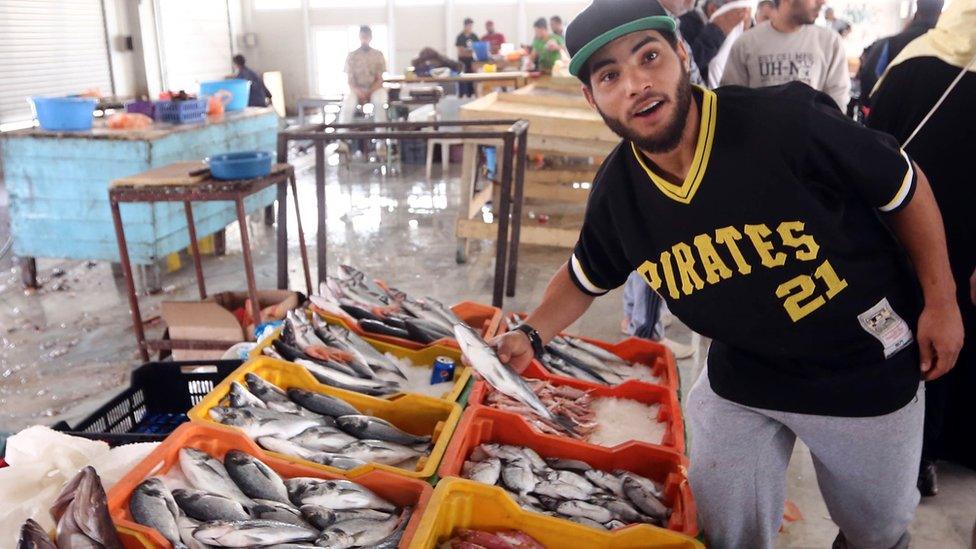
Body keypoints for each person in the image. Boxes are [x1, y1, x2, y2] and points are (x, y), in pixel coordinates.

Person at [491, 1, 963, 548]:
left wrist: (941, 300)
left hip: (860, 365)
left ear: (683, 55)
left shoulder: (785, 123)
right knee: (725, 529)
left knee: (876, 531)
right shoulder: (620, 193)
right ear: (592, 96)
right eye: (610, 75)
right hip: (743, 374)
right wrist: (530, 334)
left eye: (649, 56)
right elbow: (583, 276)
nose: (637, 83)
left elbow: (903, 188)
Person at [868, 0, 976, 496]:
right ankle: (931, 450)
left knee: (896, 333)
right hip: (961, 241)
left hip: (896, 229)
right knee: (952, 338)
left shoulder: (912, 58)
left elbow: (871, 145)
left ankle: (900, 449)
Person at [721, 0, 851, 111]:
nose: (822, 2)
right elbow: (732, 101)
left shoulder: (829, 42)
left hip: (810, 137)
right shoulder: (746, 43)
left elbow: (837, 101)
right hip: (760, 137)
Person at [857, 0, 943, 108]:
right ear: (941, 14)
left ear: (917, 11)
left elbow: (868, 92)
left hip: (885, 118)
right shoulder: (950, 52)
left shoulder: (889, 44)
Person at [675, 0, 753, 83]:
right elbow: (687, 66)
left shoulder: (740, 24)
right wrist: (718, 30)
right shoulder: (685, 24)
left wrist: (748, 28)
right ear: (712, 9)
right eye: (735, 11)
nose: (738, 16)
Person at [339, 26, 387, 125]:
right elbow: (350, 80)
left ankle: (380, 136)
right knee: (347, 105)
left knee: (380, 104)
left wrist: (370, 92)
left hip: (375, 89)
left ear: (371, 38)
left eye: (367, 37)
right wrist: (359, 92)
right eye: (362, 36)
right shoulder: (352, 56)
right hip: (356, 90)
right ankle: (342, 137)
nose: (364, 39)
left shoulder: (378, 55)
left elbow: (379, 79)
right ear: (359, 37)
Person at [456, 17, 480, 97]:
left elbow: (477, 48)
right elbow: (460, 51)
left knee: (471, 77)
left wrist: (467, 51)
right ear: (465, 26)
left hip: (471, 60)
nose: (470, 27)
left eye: (471, 25)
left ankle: (471, 94)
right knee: (462, 78)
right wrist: (468, 51)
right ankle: (461, 94)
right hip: (462, 60)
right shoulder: (460, 37)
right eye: (468, 25)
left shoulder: (474, 36)